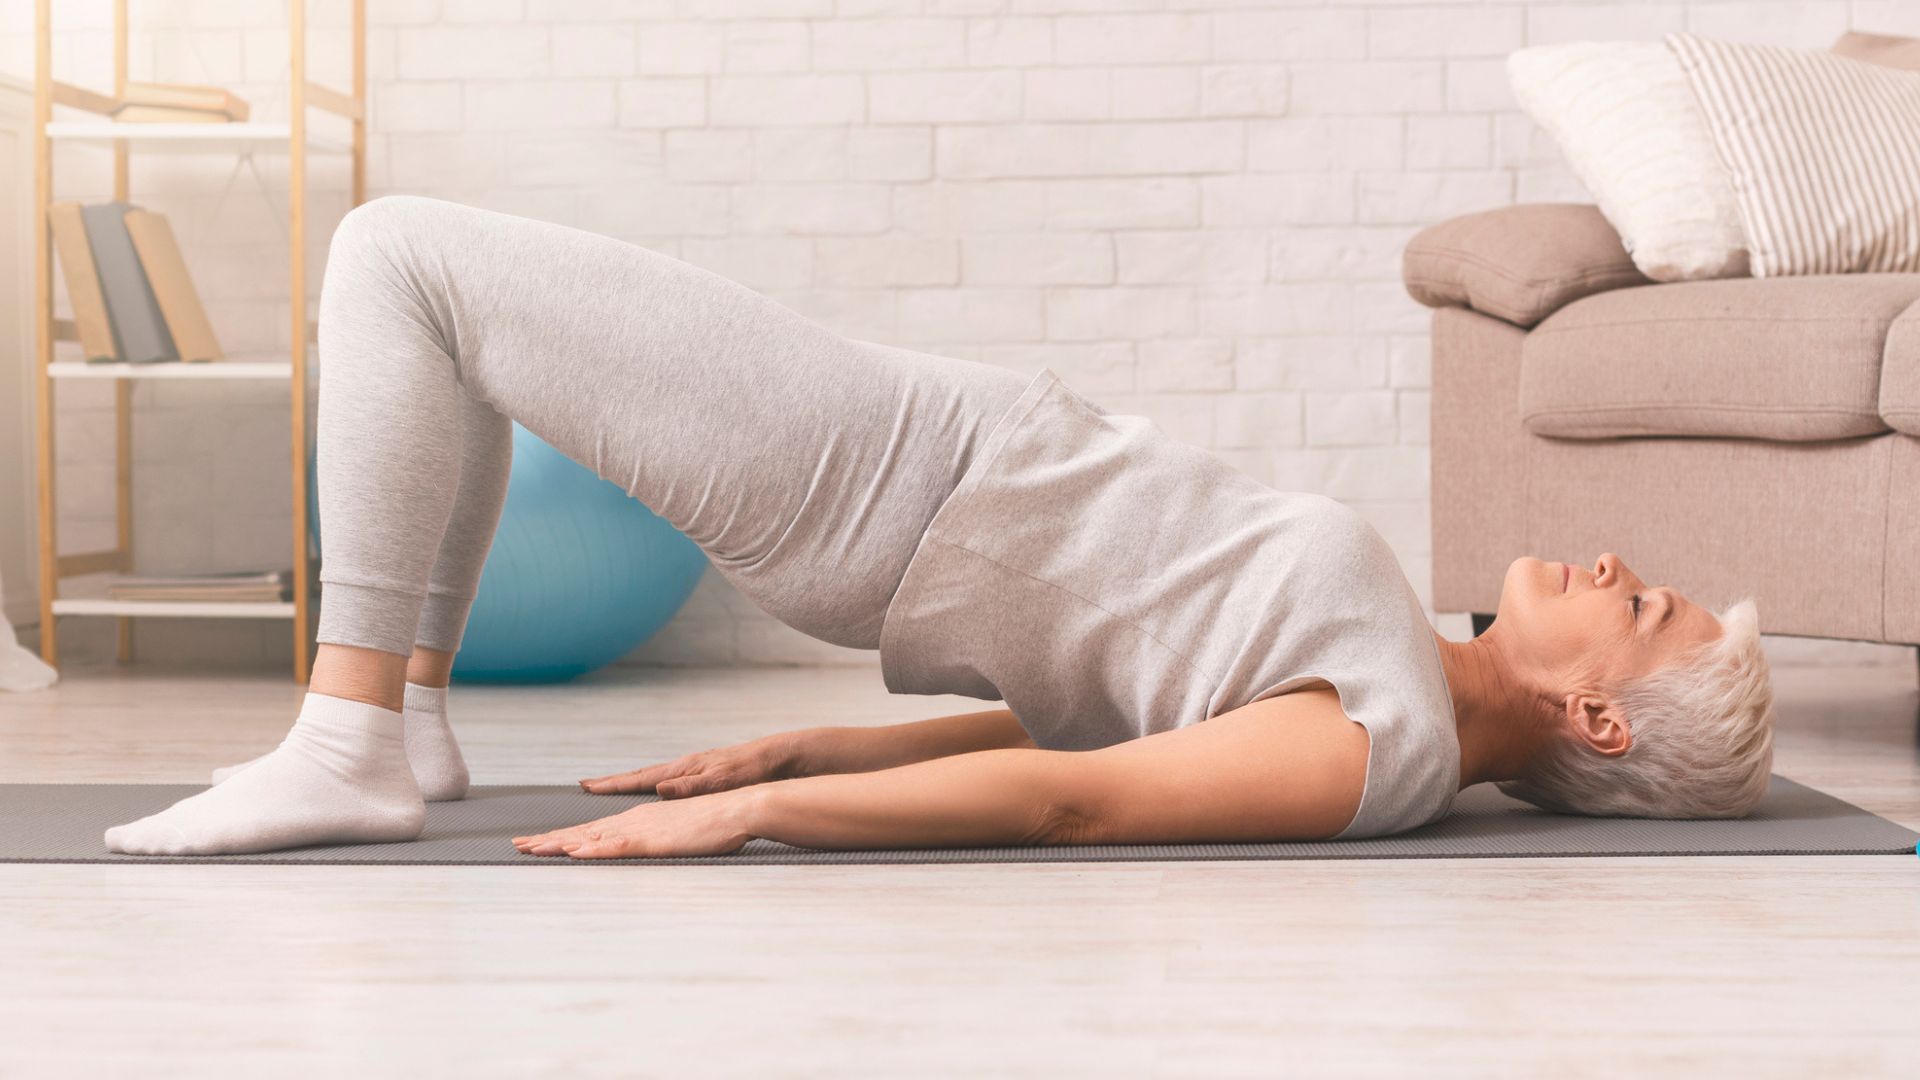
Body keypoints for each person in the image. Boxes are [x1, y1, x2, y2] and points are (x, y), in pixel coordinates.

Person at [102, 197, 1777, 859]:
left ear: (1596, 714)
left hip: (887, 484)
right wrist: (816, 751)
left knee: (400, 259)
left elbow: (1079, 797)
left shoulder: (1382, 755)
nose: (1621, 568)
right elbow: (1124, 706)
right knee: (454, 319)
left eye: (1646, 610)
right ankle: (401, 725)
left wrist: (759, 834)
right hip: (913, 451)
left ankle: (349, 739)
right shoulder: (1398, 676)